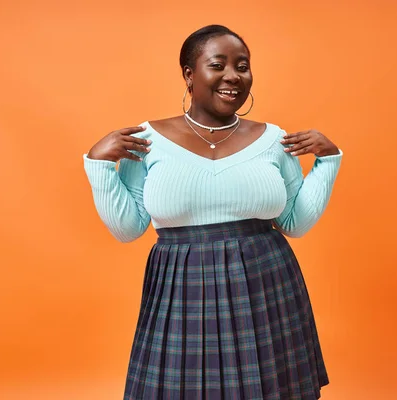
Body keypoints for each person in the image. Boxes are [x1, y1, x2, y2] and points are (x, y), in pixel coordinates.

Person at [83, 24, 342, 400]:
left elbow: (295, 223)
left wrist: (329, 160)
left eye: (243, 66)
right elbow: (127, 228)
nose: (233, 77)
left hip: (266, 283)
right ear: (189, 74)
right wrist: (98, 165)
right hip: (180, 287)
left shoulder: (273, 139)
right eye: (217, 65)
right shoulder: (146, 141)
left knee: (268, 390)